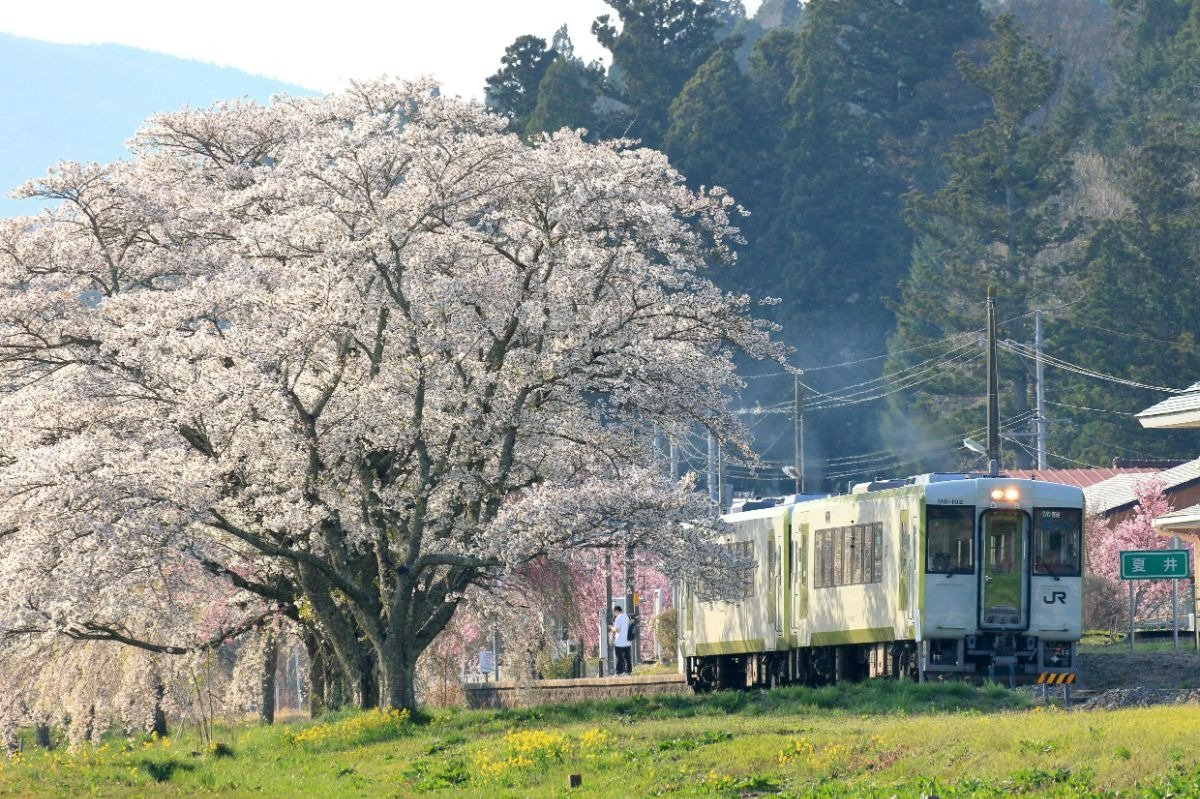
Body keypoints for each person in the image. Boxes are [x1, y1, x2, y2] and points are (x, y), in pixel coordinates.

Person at [610, 605, 632, 676]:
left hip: (619, 642)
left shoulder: (618, 618)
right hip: (627, 642)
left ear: (616, 611)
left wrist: (611, 628)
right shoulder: (627, 617)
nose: (614, 615)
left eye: (614, 613)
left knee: (619, 657)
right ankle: (628, 671)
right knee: (627, 658)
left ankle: (619, 672)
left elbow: (617, 630)